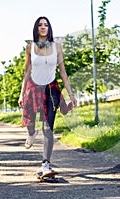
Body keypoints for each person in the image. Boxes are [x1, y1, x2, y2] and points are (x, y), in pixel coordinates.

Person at [18, 16, 77, 176]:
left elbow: (63, 72)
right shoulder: (29, 47)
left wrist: (70, 94)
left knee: (47, 128)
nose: (43, 27)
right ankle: (31, 133)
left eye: (46, 25)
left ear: (49, 28)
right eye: (40, 25)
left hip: (50, 90)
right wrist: (21, 93)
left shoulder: (57, 47)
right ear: (36, 28)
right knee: (30, 122)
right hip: (33, 88)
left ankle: (45, 165)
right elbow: (27, 72)